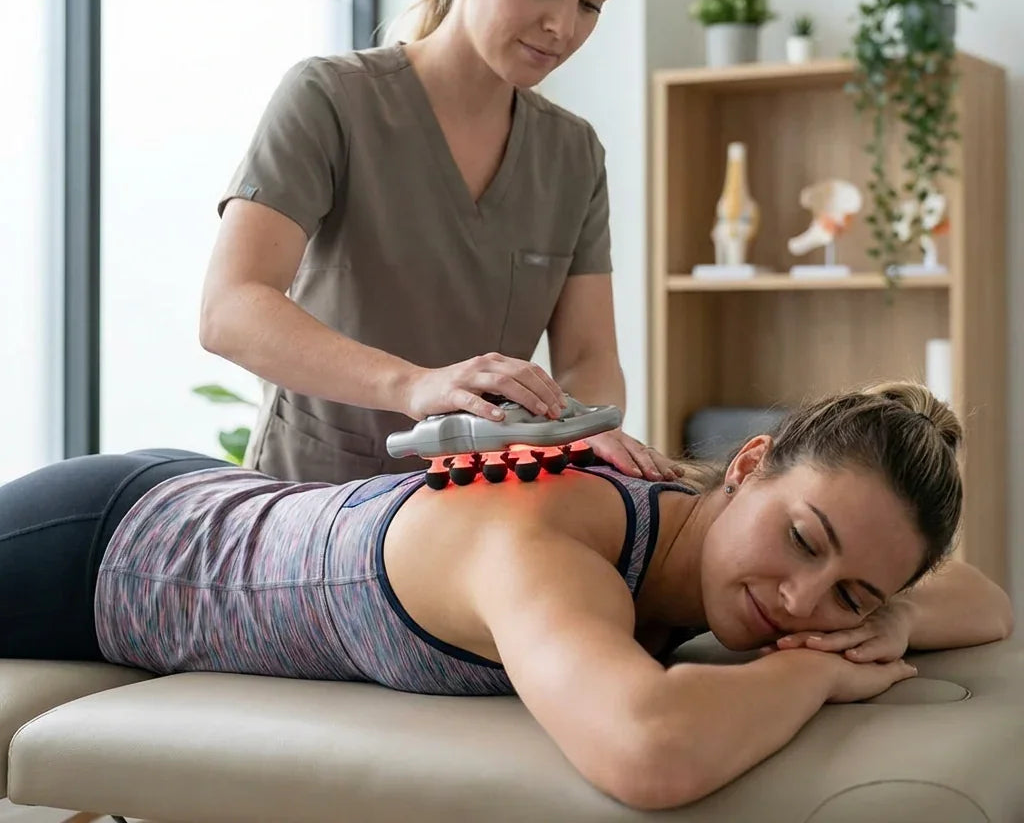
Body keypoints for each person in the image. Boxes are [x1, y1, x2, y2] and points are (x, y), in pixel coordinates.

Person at [0, 380, 1013, 808]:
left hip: (210, 501)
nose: (800, 599)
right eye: (801, 539)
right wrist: (815, 676)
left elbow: (987, 604)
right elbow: (647, 749)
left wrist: (891, 614)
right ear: (749, 464)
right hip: (102, 548)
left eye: (849, 593)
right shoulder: (544, 539)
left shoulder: (684, 531)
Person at [199, 0, 680, 485]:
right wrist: (415, 385)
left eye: (592, 3)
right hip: (311, 509)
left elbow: (588, 356)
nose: (563, 27)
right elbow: (230, 307)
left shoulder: (573, 155)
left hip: (471, 516)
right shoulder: (330, 100)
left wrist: (589, 428)